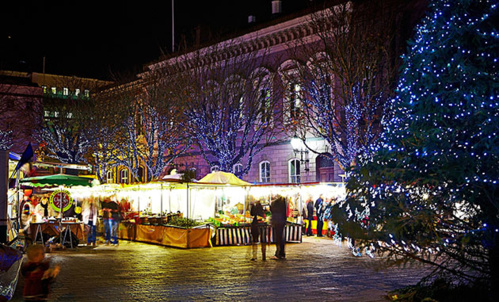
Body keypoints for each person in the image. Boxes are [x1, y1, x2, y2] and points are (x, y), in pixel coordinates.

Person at [270, 195, 287, 260]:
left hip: (277, 221)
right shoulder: (283, 202)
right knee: (281, 237)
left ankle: (278, 253)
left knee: (278, 237)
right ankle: (281, 253)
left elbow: (272, 210)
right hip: (282, 221)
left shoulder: (275, 203)